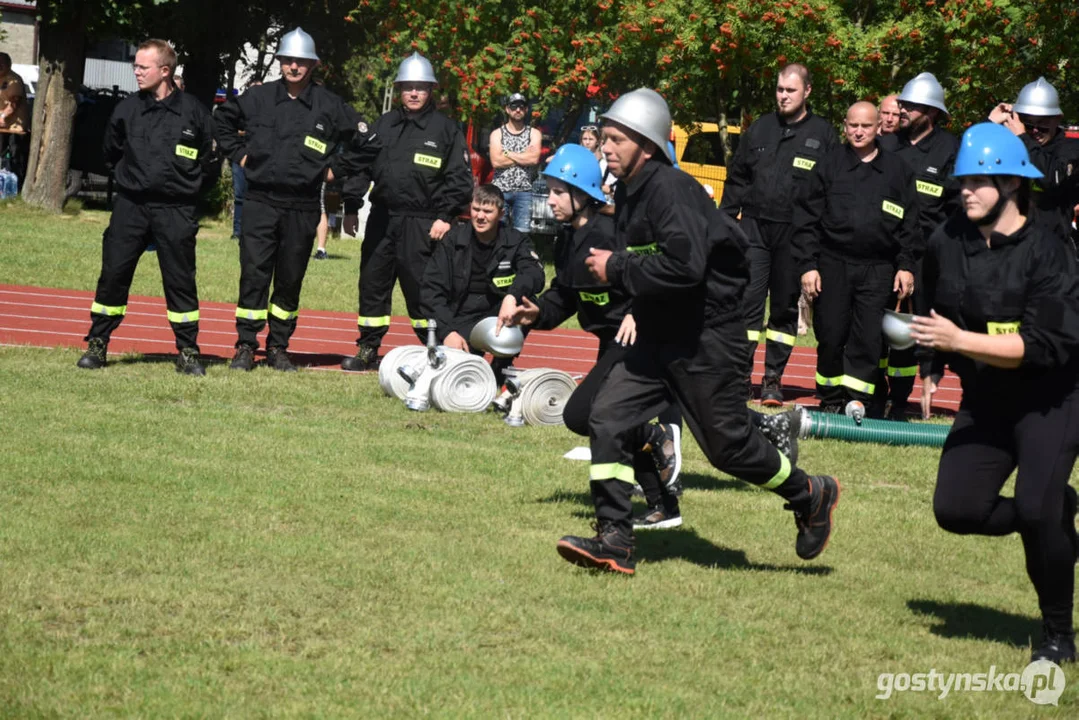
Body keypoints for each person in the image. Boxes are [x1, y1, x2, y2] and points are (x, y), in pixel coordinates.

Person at [556, 88, 838, 575]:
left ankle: (810, 493)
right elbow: (652, 265)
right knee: (607, 416)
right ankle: (615, 538)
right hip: (660, 333)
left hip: (708, 337)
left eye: (615, 139)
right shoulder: (629, 191)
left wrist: (617, 268)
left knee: (728, 448)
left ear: (645, 142)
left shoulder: (671, 189)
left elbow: (684, 267)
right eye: (604, 138)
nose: (605, 147)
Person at [911, 123, 1079, 664]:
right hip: (987, 396)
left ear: (1012, 184)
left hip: (1050, 395)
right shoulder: (948, 238)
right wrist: (933, 362)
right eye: (964, 179)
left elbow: (1044, 344)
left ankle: (1057, 636)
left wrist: (962, 341)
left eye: (980, 181)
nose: (967, 190)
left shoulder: (1048, 251)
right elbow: (932, 303)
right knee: (955, 510)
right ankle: (1058, 507)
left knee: (1036, 510)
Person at [507, 143, 686, 530]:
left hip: (641, 337)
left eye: (557, 191)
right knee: (607, 420)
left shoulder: (613, 231)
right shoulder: (567, 238)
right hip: (611, 343)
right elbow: (565, 295)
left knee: (580, 413)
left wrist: (639, 311)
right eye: (549, 190)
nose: (550, 199)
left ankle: (653, 436)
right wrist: (537, 312)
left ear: (581, 191)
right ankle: (663, 505)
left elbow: (651, 272)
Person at [215, 27, 379, 372]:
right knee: (254, 275)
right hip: (261, 202)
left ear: (313, 65)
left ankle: (278, 347)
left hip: (303, 206)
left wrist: (335, 170)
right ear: (279, 62)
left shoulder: (330, 105)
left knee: (290, 278)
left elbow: (367, 143)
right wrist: (242, 157)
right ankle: (245, 346)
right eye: (288, 60)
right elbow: (222, 121)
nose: (293, 67)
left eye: (301, 62)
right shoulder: (258, 98)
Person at [76, 39, 215, 375]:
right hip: (131, 207)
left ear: (165, 71)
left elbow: (209, 161)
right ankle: (98, 344)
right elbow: (110, 153)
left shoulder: (194, 111)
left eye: (143, 66)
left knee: (181, 280)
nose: (136, 72)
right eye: (135, 66)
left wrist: (189, 190)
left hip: (176, 210)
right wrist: (131, 181)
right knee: (113, 274)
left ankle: (187, 351)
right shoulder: (126, 109)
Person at [339, 52, 473, 371]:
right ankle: (368, 348)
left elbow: (460, 179)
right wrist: (351, 205)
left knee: (423, 289)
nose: (413, 93)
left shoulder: (445, 129)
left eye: (421, 88)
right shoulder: (384, 124)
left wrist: (445, 216)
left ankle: (436, 349)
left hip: (425, 223)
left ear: (431, 91)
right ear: (399, 89)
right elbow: (361, 167)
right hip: (383, 218)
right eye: (408, 87)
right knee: (372, 284)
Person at [719, 63, 837, 406]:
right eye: (780, 89)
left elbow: (829, 191)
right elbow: (737, 178)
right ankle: (741, 377)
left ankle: (773, 378)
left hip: (796, 234)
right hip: (754, 228)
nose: (783, 96)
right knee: (746, 308)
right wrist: (726, 222)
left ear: (807, 92)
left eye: (791, 90)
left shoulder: (823, 135)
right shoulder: (760, 128)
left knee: (784, 310)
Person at [793, 102, 920, 414]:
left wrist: (905, 266)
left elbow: (911, 224)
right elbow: (806, 219)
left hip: (878, 269)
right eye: (853, 125)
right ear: (844, 127)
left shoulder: (897, 170)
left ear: (879, 127)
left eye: (866, 126)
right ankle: (830, 400)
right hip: (832, 264)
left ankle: (858, 400)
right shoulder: (829, 164)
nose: (859, 131)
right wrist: (808, 266)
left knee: (868, 339)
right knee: (832, 334)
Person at [877, 72, 959, 419]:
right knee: (876, 329)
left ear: (932, 112)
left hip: (927, 258)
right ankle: (875, 395)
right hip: (883, 253)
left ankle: (903, 400)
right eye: (903, 104)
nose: (903, 110)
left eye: (912, 106)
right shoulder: (887, 144)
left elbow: (956, 208)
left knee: (915, 333)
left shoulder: (949, 149)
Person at [420, 184, 544, 384]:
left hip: (500, 313)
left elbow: (534, 273)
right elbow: (430, 290)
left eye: (488, 211)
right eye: (476, 209)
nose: (480, 216)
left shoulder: (516, 240)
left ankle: (502, 362)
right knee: (459, 378)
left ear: (501, 213)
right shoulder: (453, 240)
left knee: (528, 301)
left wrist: (512, 296)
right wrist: (447, 332)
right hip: (461, 314)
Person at [989, 77, 1079, 238]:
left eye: (1042, 125)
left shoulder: (1069, 148)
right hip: (1011, 243)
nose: (1035, 131)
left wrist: (1023, 138)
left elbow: (1052, 177)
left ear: (1057, 118)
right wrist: (990, 124)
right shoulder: (1013, 143)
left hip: (1051, 245)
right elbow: (969, 162)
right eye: (1029, 125)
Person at [490, 93, 542, 236]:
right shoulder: (497, 134)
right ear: (507, 109)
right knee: (497, 232)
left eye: (521, 107)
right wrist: (523, 155)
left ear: (526, 110)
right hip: (500, 190)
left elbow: (533, 159)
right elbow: (496, 162)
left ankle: (518, 258)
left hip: (524, 191)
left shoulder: (534, 133)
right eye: (514, 106)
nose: (517, 110)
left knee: (522, 234)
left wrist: (507, 153)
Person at [0, 52, 30, 184]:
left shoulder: (13, 80)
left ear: (8, 65)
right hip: (3, 128)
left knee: (14, 159)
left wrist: (2, 116)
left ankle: (15, 188)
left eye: (1, 64)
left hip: (14, 129)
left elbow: (13, 104)